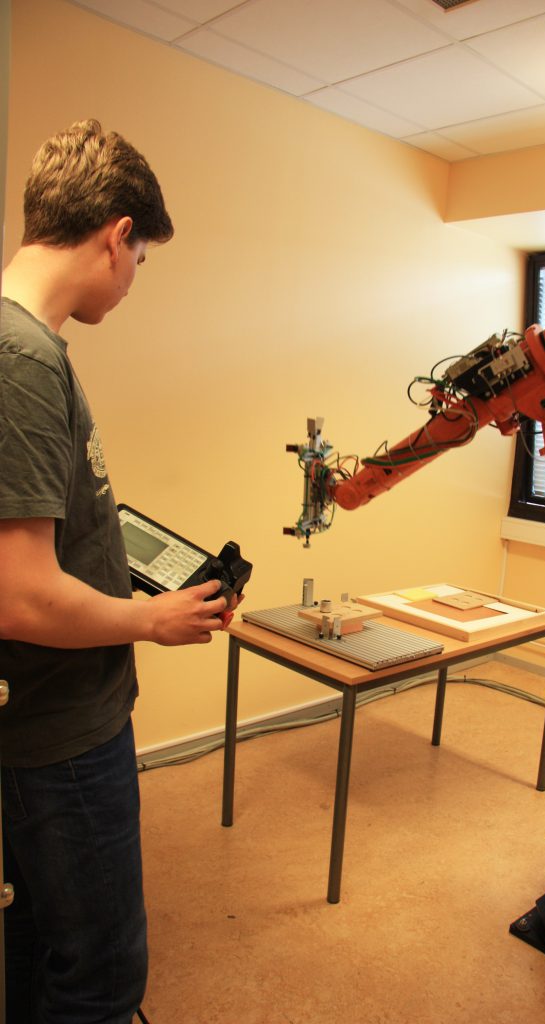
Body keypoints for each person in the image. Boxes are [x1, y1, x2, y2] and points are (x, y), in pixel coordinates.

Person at [0, 120, 233, 1023]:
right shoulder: (21, 359)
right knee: (99, 975)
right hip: (59, 731)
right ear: (115, 234)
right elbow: (18, 593)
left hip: (48, 717)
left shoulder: (31, 349)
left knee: (36, 949)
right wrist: (153, 620)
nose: (135, 278)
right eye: (142, 256)